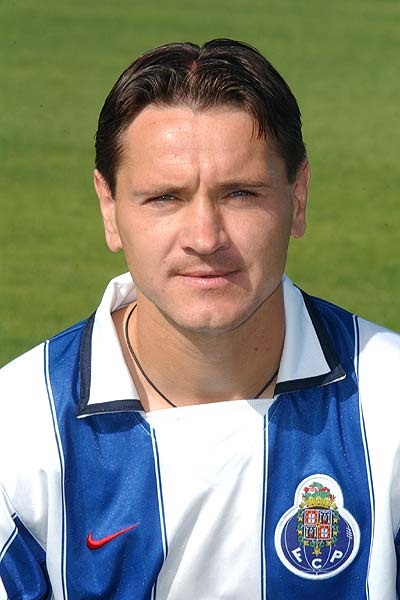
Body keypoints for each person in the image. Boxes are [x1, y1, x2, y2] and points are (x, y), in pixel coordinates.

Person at [0, 38, 399, 600]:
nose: (205, 238)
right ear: (109, 209)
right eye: (165, 197)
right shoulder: (19, 431)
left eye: (240, 194)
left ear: (298, 197)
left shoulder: (389, 404)